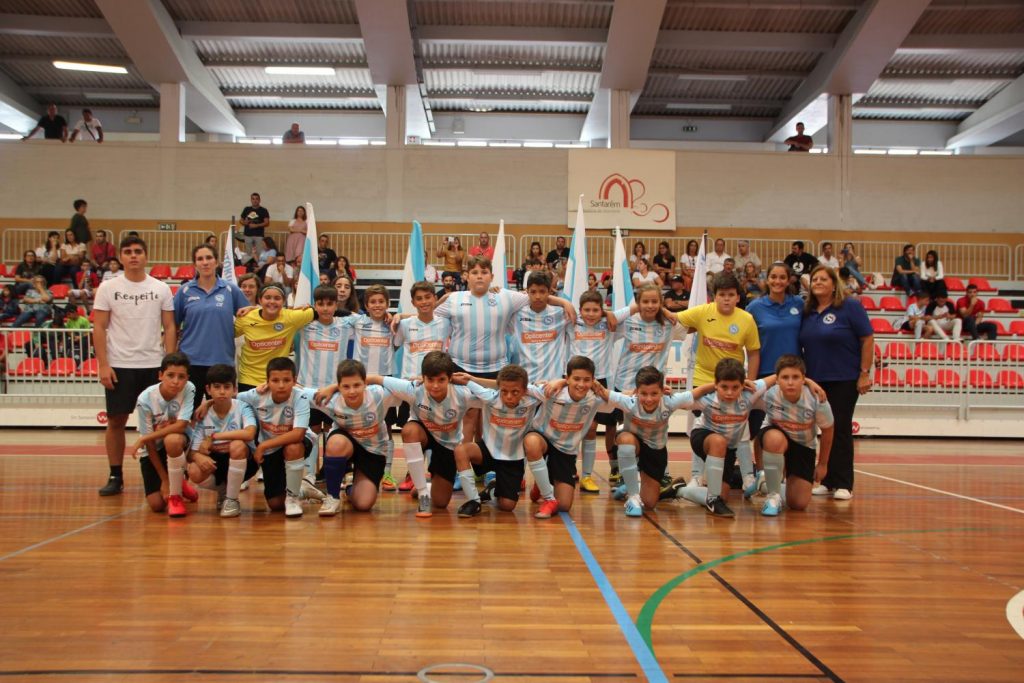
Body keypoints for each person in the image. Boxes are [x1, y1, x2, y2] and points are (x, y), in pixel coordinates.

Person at [433, 256, 576, 443]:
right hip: (460, 366)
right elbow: (427, 314)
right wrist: (404, 314)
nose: (479, 276)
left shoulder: (505, 296)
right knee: (468, 415)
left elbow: (537, 296)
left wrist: (565, 303)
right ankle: (465, 458)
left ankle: (487, 458)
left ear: (491, 276)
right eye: (474, 272)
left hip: (495, 368)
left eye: (484, 272)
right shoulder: (454, 299)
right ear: (466, 276)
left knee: (491, 415)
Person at [93, 235, 176, 497]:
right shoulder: (108, 288)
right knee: (116, 420)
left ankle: (164, 475)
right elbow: (99, 327)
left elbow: (170, 327)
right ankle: (115, 475)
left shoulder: (161, 288)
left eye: (138, 251)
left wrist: (170, 365)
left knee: (161, 424)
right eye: (128, 251)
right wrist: (103, 365)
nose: (133, 256)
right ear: (120, 257)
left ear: (146, 256)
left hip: (153, 365)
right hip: (120, 364)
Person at [367, 353, 482, 518]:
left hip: (447, 444)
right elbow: (375, 378)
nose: (435, 386)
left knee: (441, 502)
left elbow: (497, 395)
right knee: (409, 431)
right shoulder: (413, 389)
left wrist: (471, 380)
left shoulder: (463, 394)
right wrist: (333, 388)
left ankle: (427, 487)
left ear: (450, 378)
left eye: (441, 380)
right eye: (430, 380)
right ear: (423, 377)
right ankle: (423, 494)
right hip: (422, 434)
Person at [676, 272, 761, 493]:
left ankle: (748, 477)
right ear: (714, 296)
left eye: (730, 295)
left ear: (738, 297)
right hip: (704, 381)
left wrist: (750, 381)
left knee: (740, 428)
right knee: (701, 428)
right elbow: (675, 319)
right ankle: (696, 477)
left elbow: (753, 352)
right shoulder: (703, 312)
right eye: (722, 294)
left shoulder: (746, 319)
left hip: (734, 385)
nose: (726, 299)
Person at [800, 265, 873, 501]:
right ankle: (827, 480)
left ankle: (844, 483)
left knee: (839, 428)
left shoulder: (850, 306)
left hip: (844, 379)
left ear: (834, 284)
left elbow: (867, 338)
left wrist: (864, 373)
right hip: (815, 381)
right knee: (823, 429)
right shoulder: (808, 311)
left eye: (823, 279)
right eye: (814, 279)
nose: (818, 282)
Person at [675, 359, 769, 517]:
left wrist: (808, 381)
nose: (729, 392)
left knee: (723, 496)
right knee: (718, 441)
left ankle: (679, 490)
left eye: (735, 387)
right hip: (703, 437)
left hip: (728, 449)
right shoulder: (708, 399)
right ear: (716, 385)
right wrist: (710, 387)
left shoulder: (749, 395)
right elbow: (679, 402)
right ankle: (712, 500)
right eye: (724, 387)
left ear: (743, 385)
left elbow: (775, 378)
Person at [605, 367, 704, 517]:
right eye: (644, 393)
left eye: (654, 393)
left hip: (655, 449)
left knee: (649, 504)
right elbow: (601, 391)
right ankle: (633, 497)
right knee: (625, 441)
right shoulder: (629, 401)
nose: (649, 399)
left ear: (662, 391)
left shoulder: (670, 402)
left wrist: (716, 385)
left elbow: (696, 392)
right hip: (633, 441)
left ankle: (629, 488)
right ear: (636, 391)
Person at [524, 356, 612, 519]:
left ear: (593, 380)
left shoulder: (595, 398)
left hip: (565, 450)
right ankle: (548, 498)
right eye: (576, 379)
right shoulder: (552, 390)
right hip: (543, 438)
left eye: (586, 380)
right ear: (567, 378)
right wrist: (474, 380)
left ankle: (541, 483)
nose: (581, 384)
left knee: (564, 506)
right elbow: (521, 386)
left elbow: (627, 398)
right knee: (531, 442)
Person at [234, 358, 317, 517]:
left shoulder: (300, 397)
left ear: (294, 381)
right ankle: (301, 489)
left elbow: (298, 433)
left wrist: (263, 446)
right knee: (276, 504)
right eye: (275, 380)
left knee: (293, 446)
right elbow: (229, 398)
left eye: (286, 380)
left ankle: (293, 499)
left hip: (294, 442)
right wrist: (207, 404)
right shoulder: (256, 395)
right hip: (271, 450)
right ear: (267, 382)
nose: (281, 385)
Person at [318, 359, 402, 513]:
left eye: (357, 385)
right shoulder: (331, 399)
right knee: (336, 444)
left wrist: (374, 378)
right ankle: (333, 497)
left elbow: (409, 388)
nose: (352, 391)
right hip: (346, 444)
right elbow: (295, 392)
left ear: (365, 384)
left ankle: (351, 486)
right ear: (339, 387)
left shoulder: (379, 394)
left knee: (363, 504)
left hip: (373, 450)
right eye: (346, 386)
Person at [569, 291, 631, 494]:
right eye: (586, 310)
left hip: (600, 381)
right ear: (579, 310)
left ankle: (587, 476)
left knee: (592, 429)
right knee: (573, 428)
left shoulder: (608, 324)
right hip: (575, 380)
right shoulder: (572, 321)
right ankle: (569, 468)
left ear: (602, 309)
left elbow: (632, 309)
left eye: (596, 310)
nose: (591, 314)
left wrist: (608, 314)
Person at [173, 244, 249, 408]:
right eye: (200, 259)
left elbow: (250, 316)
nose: (205, 262)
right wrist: (171, 357)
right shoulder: (184, 291)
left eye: (209, 258)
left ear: (216, 262)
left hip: (222, 361)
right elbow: (172, 325)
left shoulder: (231, 290)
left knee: (221, 414)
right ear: (195, 264)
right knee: (187, 413)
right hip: (191, 362)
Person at [757, 355, 834, 516]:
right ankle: (773, 496)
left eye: (795, 377)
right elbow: (743, 390)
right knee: (774, 439)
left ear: (803, 379)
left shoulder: (816, 398)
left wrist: (823, 464)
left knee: (798, 503)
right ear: (777, 380)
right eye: (785, 377)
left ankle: (767, 484)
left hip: (803, 445)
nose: (790, 382)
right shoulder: (768, 394)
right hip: (776, 438)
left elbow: (828, 430)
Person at [185, 364, 259, 518]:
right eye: (217, 387)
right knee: (194, 470)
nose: (222, 391)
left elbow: (250, 433)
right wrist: (198, 456)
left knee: (237, 445)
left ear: (235, 389)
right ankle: (224, 492)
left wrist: (214, 436)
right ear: (208, 389)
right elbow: (192, 452)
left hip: (246, 461)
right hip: (217, 462)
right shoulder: (203, 414)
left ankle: (232, 500)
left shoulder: (243, 407)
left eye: (227, 387)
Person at [131, 352, 197, 517]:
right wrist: (165, 481)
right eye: (170, 375)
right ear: (160, 375)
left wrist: (145, 437)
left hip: (178, 443)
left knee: (172, 440)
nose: (176, 381)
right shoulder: (145, 399)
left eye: (181, 377)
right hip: (154, 449)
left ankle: (176, 496)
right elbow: (150, 445)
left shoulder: (189, 388)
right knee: (157, 505)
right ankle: (178, 482)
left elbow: (182, 425)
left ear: (187, 378)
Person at [234, 283, 315, 391]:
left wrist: (310, 307)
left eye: (277, 298)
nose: (272, 301)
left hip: (278, 381)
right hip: (248, 380)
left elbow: (325, 311)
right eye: (267, 298)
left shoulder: (291, 317)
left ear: (284, 301)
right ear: (260, 300)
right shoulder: (245, 318)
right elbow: (225, 334)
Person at [239, 192, 270, 257]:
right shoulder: (247, 209)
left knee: (259, 253)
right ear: (251, 200)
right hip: (247, 235)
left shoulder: (263, 210)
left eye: (256, 199)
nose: (255, 200)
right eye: (253, 199)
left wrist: (256, 225)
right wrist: (244, 222)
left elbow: (267, 222)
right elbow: (241, 220)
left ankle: (259, 263)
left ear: (259, 200)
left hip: (259, 236)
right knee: (248, 254)